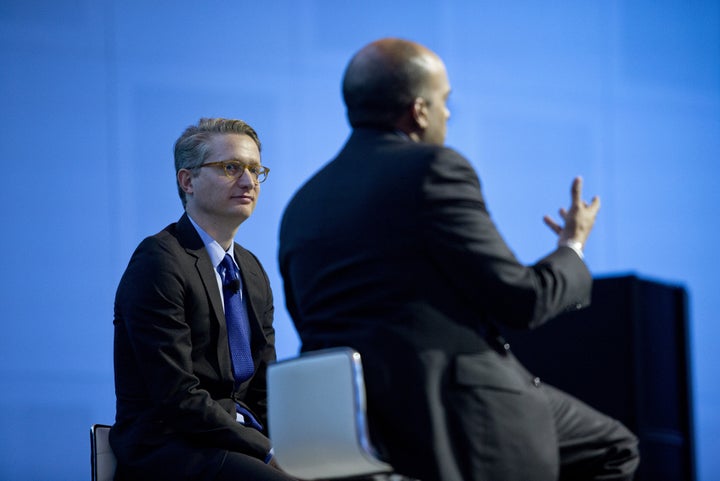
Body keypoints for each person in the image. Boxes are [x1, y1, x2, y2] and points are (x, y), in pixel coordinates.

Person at [278, 38, 639, 481]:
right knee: (615, 447)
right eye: (444, 101)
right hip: (453, 409)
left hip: (352, 424)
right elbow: (522, 300)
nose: (448, 114)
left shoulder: (301, 204)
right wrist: (572, 248)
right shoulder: (433, 169)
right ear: (419, 111)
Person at [111, 118, 296, 481]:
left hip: (237, 443)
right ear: (187, 180)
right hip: (173, 448)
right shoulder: (159, 260)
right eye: (231, 167)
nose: (249, 181)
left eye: (255, 170)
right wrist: (267, 450)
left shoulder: (251, 269)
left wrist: (288, 445)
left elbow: (264, 388)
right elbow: (176, 395)